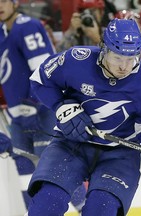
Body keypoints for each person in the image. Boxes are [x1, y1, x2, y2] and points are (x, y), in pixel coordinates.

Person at [27, 18, 141, 215]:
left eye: (130, 58)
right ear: (103, 49)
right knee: (46, 204)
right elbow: (39, 80)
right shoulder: (77, 60)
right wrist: (60, 105)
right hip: (71, 144)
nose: (124, 67)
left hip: (120, 153)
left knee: (102, 209)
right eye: (117, 57)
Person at [0, 0, 56, 209]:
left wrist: (33, 103)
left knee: (50, 171)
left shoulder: (28, 26)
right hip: (18, 117)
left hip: (44, 110)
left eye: (4, 0)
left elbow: (44, 71)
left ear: (15, 3)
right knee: (23, 168)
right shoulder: (0, 32)